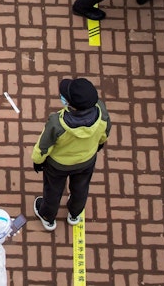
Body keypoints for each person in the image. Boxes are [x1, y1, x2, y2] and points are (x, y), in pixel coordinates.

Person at [32, 78, 111, 231]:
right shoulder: (101, 112)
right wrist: (98, 145)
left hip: (57, 166)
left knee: (53, 191)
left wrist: (37, 161)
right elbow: (105, 134)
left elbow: (43, 146)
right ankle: (74, 214)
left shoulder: (57, 123)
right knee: (81, 188)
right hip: (86, 161)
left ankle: (48, 217)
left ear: (69, 103)